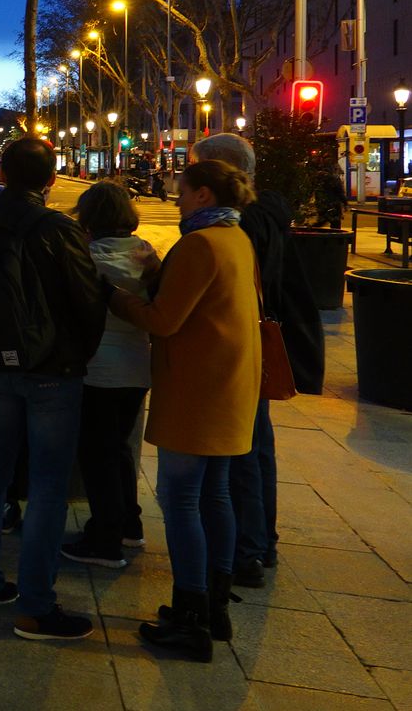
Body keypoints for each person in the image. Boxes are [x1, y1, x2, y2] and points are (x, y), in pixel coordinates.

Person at [110, 159, 261, 662]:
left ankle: (190, 613)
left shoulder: (200, 244)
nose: (175, 198)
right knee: (215, 495)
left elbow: (165, 320)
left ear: (202, 195)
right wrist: (160, 273)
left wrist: (117, 298)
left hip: (197, 391)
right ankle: (214, 608)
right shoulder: (236, 239)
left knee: (180, 499)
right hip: (229, 386)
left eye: (182, 191)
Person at [0, 137, 107, 641]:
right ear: (50, 180)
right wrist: (75, 356)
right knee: (47, 486)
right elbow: (87, 302)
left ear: (1, 171)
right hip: (51, 371)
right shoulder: (59, 229)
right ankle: (36, 606)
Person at [189, 132, 320, 588]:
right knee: (256, 447)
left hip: (241, 346)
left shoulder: (243, 224)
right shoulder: (268, 213)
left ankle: (246, 551)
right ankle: (261, 542)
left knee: (242, 450)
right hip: (257, 343)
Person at [60, 181, 158, 569]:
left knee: (97, 454)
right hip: (136, 367)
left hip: (98, 369)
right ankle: (128, 524)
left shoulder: (86, 258)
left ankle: (105, 539)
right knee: (117, 449)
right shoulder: (147, 255)